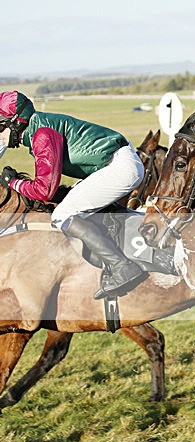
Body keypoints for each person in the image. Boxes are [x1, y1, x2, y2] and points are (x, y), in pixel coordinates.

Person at [0, 90, 146, 299]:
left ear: (16, 123)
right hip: (115, 163)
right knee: (71, 202)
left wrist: (13, 183)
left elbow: (44, 190)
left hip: (118, 167)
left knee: (63, 215)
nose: (0, 134)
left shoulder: (42, 135)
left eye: (0, 127)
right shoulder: (39, 129)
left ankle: (121, 266)